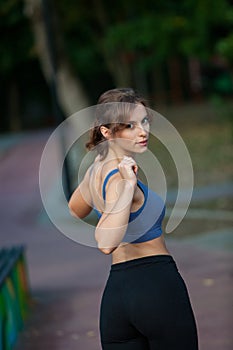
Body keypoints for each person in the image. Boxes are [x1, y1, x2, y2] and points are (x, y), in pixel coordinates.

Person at [68, 88, 198, 350]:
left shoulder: (96, 169)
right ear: (107, 131)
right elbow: (105, 242)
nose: (143, 131)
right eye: (129, 125)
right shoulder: (119, 178)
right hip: (157, 290)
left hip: (118, 297)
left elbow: (75, 208)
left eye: (144, 121)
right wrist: (128, 186)